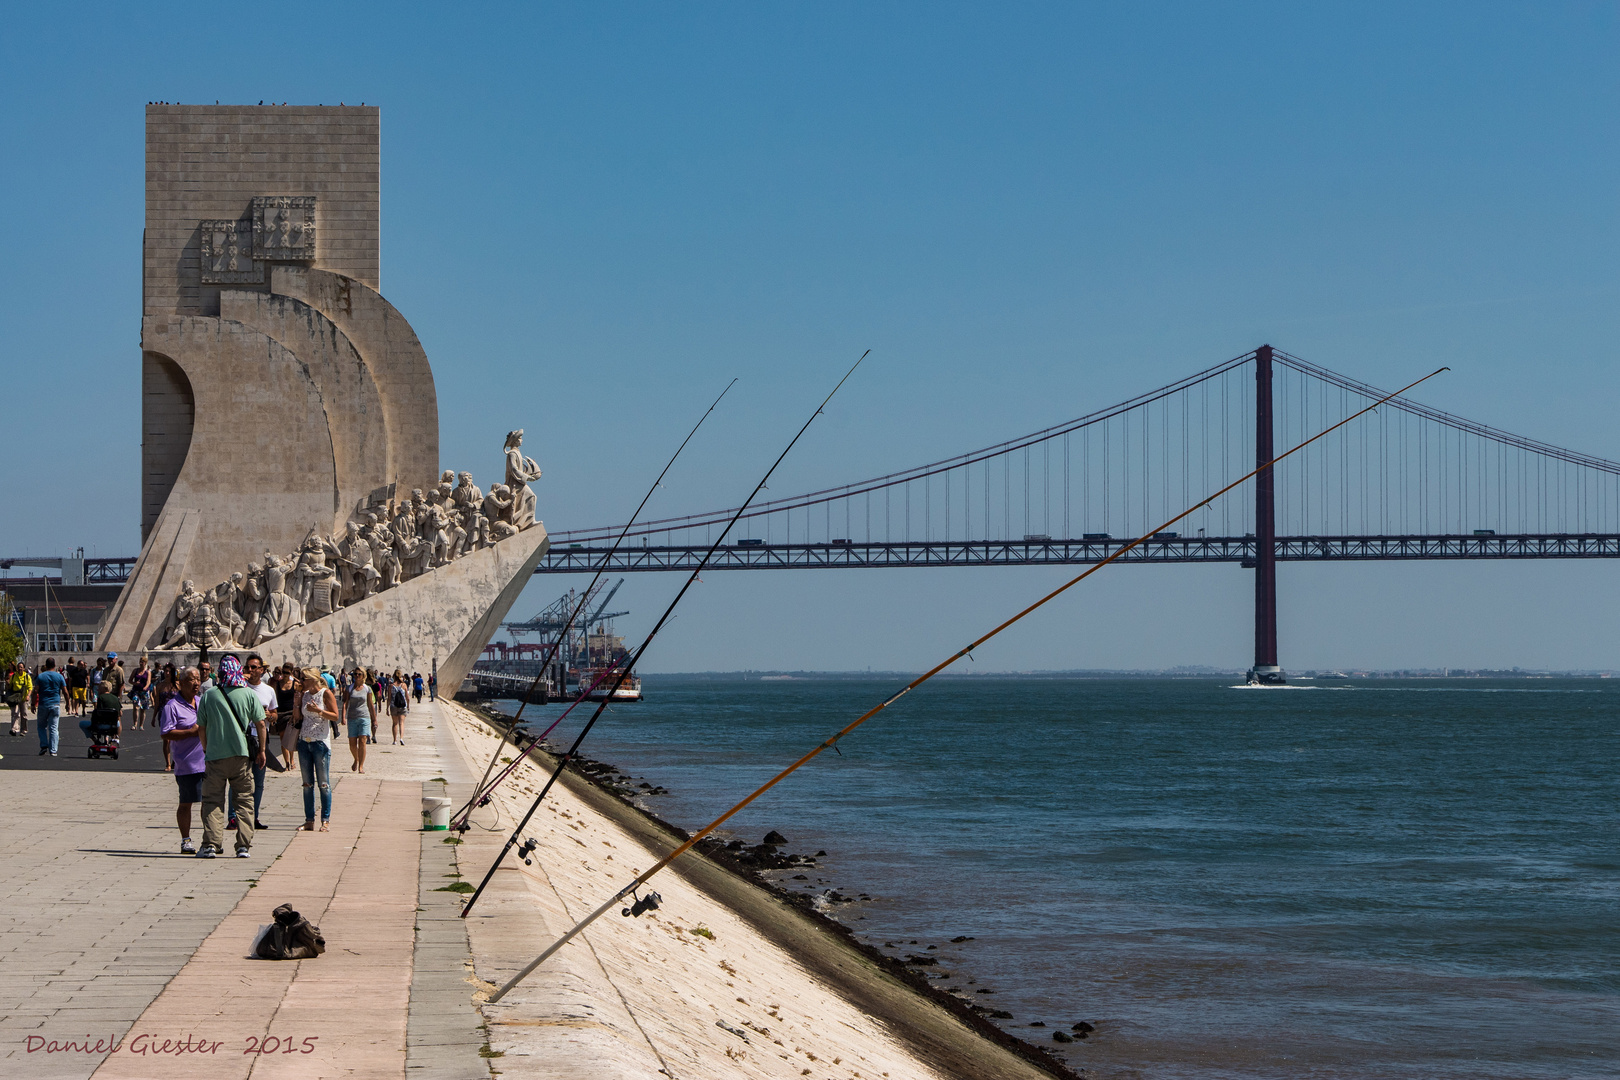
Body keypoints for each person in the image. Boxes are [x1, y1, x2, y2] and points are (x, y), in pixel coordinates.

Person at [196, 656, 262, 858]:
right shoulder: (249, 694)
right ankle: (243, 845)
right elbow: (260, 723)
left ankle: (212, 844)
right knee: (244, 801)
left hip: (216, 755)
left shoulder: (210, 695)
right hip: (241, 755)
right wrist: (262, 750)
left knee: (212, 800)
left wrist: (206, 748)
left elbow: (202, 727)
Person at [159, 667, 204, 854]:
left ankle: (209, 838)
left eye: (198, 679)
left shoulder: (202, 702)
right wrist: (190, 732)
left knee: (209, 802)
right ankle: (186, 840)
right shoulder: (172, 706)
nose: (196, 683)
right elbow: (166, 733)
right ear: (181, 683)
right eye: (192, 680)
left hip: (208, 760)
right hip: (187, 763)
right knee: (187, 802)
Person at [297, 666, 340, 831]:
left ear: (313, 679)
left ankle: (325, 820)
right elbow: (299, 717)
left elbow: (335, 715)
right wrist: (296, 704)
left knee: (323, 783)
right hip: (304, 741)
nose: (302, 682)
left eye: (304, 679)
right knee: (307, 784)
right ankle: (309, 820)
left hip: (320, 742)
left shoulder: (325, 694)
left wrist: (319, 711)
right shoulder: (305, 695)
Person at [244, 654, 276, 829]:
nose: (251, 670)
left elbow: (274, 714)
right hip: (243, 737)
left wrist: (270, 716)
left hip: (261, 737)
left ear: (262, 670)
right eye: (248, 667)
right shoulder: (240, 687)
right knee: (240, 779)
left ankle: (254, 817)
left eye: (254, 667)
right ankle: (234, 817)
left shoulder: (268, 690)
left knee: (259, 781)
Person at [344, 666, 376, 773]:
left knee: (362, 741)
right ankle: (356, 759)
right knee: (352, 744)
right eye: (355, 674)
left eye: (359, 674)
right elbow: (345, 703)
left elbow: (370, 705)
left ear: (363, 676)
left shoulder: (368, 689)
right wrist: (344, 716)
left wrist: (374, 719)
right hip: (352, 718)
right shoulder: (349, 688)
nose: (357, 676)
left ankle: (361, 766)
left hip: (364, 717)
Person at [35, 658, 66, 756]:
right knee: (53, 728)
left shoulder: (40, 676)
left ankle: (44, 745)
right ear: (55, 665)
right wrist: (68, 703)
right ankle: (53, 750)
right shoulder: (59, 676)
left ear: (46, 665)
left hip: (43, 703)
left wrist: (32, 704)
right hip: (55, 704)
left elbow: (36, 691)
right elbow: (65, 691)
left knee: (41, 726)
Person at [79, 679, 122, 743]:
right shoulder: (115, 698)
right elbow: (120, 713)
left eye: (99, 688)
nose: (97, 689)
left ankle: (95, 740)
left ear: (105, 688)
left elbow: (100, 713)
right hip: (114, 724)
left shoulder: (101, 698)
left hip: (102, 724)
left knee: (82, 724)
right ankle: (111, 739)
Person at [273, 665, 298, 771]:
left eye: (287, 673)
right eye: (283, 672)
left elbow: (298, 698)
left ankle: (292, 760)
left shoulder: (295, 684)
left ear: (291, 673)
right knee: (283, 738)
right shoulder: (277, 684)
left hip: (291, 713)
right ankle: (287, 762)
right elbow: (273, 698)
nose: (285, 675)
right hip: (280, 713)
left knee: (290, 737)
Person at [7, 662, 32, 736]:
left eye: (21, 667)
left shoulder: (27, 676)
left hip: (24, 698)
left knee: (24, 714)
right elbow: (10, 686)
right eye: (19, 667)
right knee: (15, 713)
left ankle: (23, 730)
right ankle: (14, 729)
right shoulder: (14, 676)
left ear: (24, 668)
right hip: (16, 697)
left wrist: (28, 696)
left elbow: (30, 687)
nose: (20, 669)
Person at [129, 656, 153, 730]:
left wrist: (146, 687)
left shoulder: (148, 672)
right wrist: (135, 683)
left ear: (145, 663)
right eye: (140, 662)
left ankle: (141, 725)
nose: (141, 663)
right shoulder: (135, 671)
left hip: (144, 692)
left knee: (143, 709)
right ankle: (135, 724)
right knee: (136, 707)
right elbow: (130, 680)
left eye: (142, 662)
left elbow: (149, 681)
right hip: (136, 691)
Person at [388, 668, 409, 745]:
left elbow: (389, 698)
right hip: (402, 706)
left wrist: (387, 708)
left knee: (395, 723)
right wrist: (408, 706)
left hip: (393, 706)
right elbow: (407, 697)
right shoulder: (404, 685)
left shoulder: (391, 686)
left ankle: (394, 740)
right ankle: (401, 738)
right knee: (401, 723)